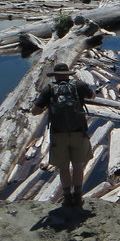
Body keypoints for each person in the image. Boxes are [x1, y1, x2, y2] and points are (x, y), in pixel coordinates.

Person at [31, 62, 95, 207]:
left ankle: (67, 197)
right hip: (79, 132)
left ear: (55, 76)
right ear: (68, 74)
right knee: (78, 165)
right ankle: (78, 196)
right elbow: (92, 96)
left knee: (63, 167)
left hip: (59, 134)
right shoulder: (79, 85)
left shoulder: (49, 89)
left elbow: (35, 111)